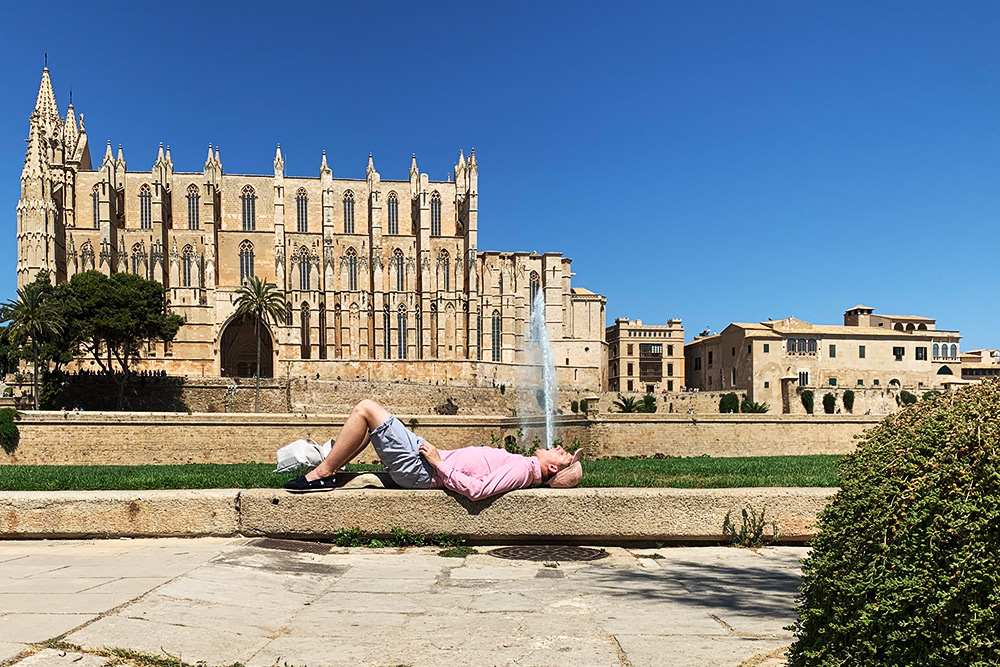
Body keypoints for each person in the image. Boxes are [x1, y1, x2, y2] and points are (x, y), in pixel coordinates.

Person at [284, 399, 583, 500]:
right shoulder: (523, 464)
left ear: (553, 469)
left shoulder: (522, 469)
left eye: (562, 454)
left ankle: (322, 474)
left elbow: (478, 491)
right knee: (369, 424)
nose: (558, 447)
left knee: (366, 409)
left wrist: (440, 463)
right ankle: (329, 470)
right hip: (426, 462)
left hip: (423, 470)